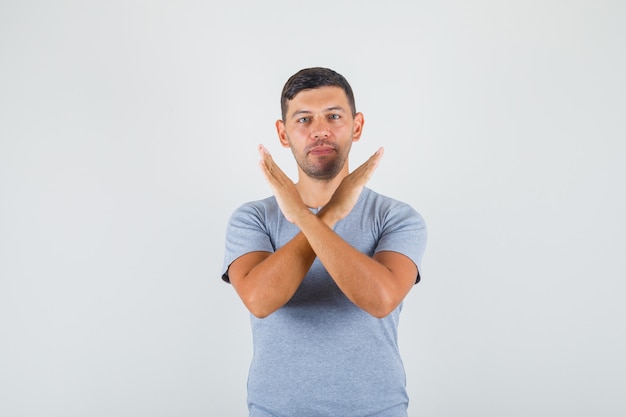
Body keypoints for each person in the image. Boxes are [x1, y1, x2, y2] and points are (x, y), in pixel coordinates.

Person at [221, 67, 427, 417]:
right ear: (283, 134)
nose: (320, 131)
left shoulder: (396, 217)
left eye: (334, 116)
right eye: (303, 119)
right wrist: (328, 215)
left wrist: (304, 216)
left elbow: (380, 300)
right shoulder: (253, 218)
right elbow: (259, 300)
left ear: (357, 126)